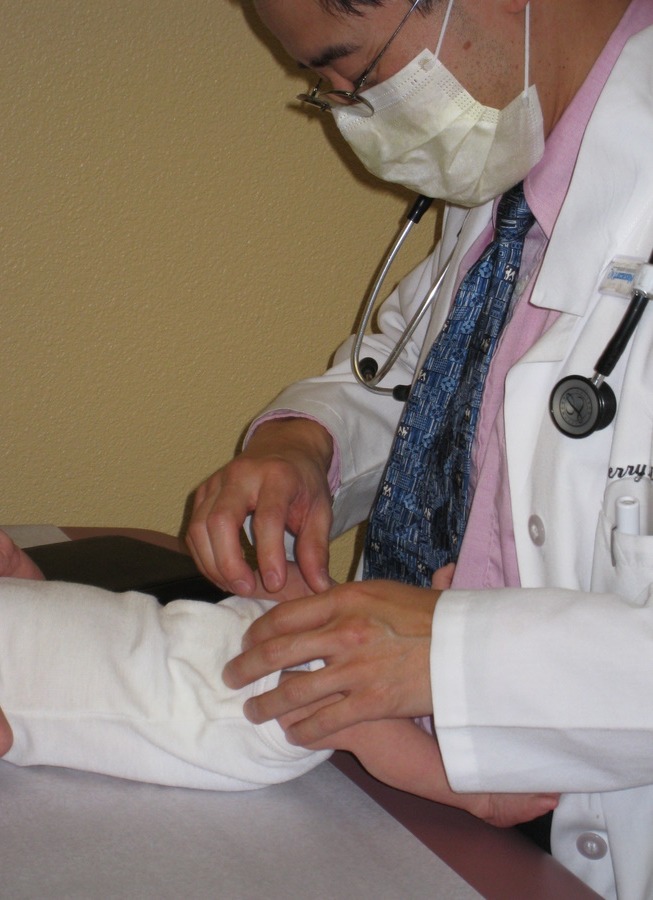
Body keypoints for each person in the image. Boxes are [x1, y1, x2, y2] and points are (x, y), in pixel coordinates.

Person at [186, 1, 653, 898]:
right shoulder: (508, 177)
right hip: (437, 804)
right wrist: (302, 444)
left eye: (351, 70)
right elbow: (415, 372)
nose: (349, 112)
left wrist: (457, 654)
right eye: (323, 88)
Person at [0, 507, 558, 824]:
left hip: (192, 636)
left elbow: (46, 622)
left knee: (314, 597)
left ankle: (450, 630)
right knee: (335, 702)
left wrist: (13, 573)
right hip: (195, 710)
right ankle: (474, 793)